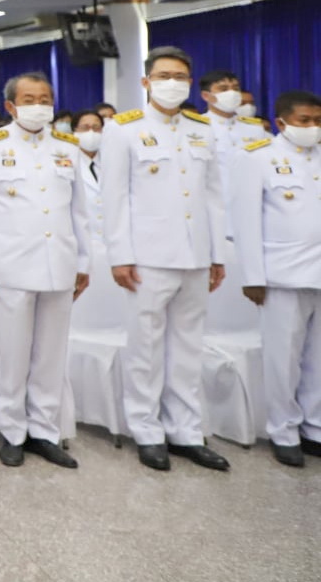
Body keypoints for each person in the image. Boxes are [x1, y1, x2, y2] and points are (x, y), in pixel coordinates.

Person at [101, 46, 229, 471]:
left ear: (190, 83)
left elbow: (213, 197)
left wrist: (217, 254)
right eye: (163, 76)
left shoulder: (202, 129)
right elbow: (114, 198)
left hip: (196, 255)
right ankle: (147, 430)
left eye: (180, 77)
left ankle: (186, 432)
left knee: (189, 347)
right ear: (146, 82)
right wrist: (120, 255)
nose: (172, 83)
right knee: (146, 348)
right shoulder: (123, 129)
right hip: (147, 256)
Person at [0, 72, 90, 468]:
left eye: (45, 99)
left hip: (59, 264)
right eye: (29, 99)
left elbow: (80, 212)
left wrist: (84, 261)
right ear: (12, 106)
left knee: (51, 355)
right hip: (10, 267)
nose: (39, 106)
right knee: (13, 355)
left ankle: (44, 432)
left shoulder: (68, 148)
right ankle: (13, 432)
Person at [228, 90, 321, 467]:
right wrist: (253, 276)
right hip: (282, 275)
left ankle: (315, 428)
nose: (312, 127)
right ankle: (283, 431)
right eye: (304, 121)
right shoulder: (258, 157)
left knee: (318, 359)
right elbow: (245, 221)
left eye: (318, 121)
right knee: (283, 360)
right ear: (281, 122)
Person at [73, 110, 107, 244]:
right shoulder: (69, 162)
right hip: (80, 241)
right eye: (85, 128)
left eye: (96, 127)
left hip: (110, 241)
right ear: (74, 131)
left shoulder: (112, 160)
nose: (91, 132)